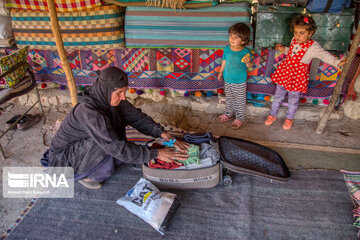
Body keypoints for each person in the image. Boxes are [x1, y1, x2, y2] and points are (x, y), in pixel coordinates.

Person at [48, 67, 189, 189]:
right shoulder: (88, 112)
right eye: (119, 93)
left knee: (112, 132)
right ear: (106, 90)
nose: (123, 97)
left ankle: (102, 162)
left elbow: (137, 118)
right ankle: (85, 176)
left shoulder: (109, 98)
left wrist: (164, 135)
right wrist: (155, 154)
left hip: (84, 148)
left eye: (124, 92)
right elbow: (114, 145)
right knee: (105, 141)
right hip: (63, 160)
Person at [265, 14, 348, 130]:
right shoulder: (294, 40)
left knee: (293, 100)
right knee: (278, 96)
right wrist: (283, 49)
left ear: (310, 33)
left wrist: (337, 62)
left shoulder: (313, 47)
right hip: (285, 73)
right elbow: (292, 53)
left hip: (297, 77)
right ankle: (272, 115)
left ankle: (289, 118)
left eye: (301, 33)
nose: (297, 36)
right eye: (296, 33)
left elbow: (325, 56)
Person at [217, 23, 253, 129]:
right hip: (227, 79)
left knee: (239, 100)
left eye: (236, 37)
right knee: (229, 98)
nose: (232, 39)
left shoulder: (245, 52)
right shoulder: (227, 49)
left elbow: (250, 65)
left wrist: (248, 62)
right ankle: (228, 114)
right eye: (231, 35)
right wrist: (220, 73)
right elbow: (224, 61)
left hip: (240, 81)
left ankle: (240, 118)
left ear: (243, 41)